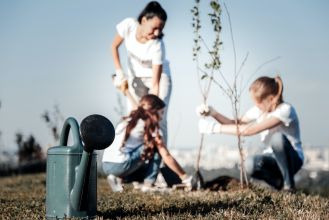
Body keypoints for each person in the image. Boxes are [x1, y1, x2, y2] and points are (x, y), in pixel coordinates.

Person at [196, 76, 304, 191]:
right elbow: (235, 123)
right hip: (271, 159)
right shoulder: (259, 110)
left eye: (258, 103)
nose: (256, 106)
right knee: (250, 164)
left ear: (271, 99)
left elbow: (249, 130)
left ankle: (289, 187)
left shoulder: (285, 110)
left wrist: (214, 128)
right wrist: (213, 113)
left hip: (293, 159)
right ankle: (279, 185)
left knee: (277, 139)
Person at [102, 94, 191, 192]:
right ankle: (148, 184)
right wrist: (185, 176)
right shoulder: (150, 126)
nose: (162, 117)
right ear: (153, 112)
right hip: (120, 165)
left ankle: (118, 179)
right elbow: (166, 155)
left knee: (147, 170)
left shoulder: (128, 120)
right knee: (156, 147)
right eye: (161, 113)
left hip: (106, 164)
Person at [111, 1, 171, 145]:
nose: (157, 33)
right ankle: (135, 152)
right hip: (136, 78)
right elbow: (114, 46)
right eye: (154, 28)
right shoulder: (129, 25)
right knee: (134, 113)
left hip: (159, 79)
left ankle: (159, 159)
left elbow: (155, 84)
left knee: (158, 117)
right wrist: (119, 72)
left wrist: (153, 108)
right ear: (144, 20)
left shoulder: (157, 45)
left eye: (160, 29)